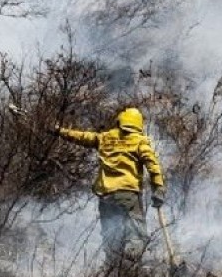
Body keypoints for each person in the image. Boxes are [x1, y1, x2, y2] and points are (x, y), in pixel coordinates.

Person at [55, 107, 165, 265]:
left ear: (120, 121)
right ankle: (129, 272)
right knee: (136, 236)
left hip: (106, 197)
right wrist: (158, 188)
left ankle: (112, 275)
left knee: (111, 236)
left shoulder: (105, 138)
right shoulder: (139, 141)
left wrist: (59, 131)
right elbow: (153, 165)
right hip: (127, 196)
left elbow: (82, 137)